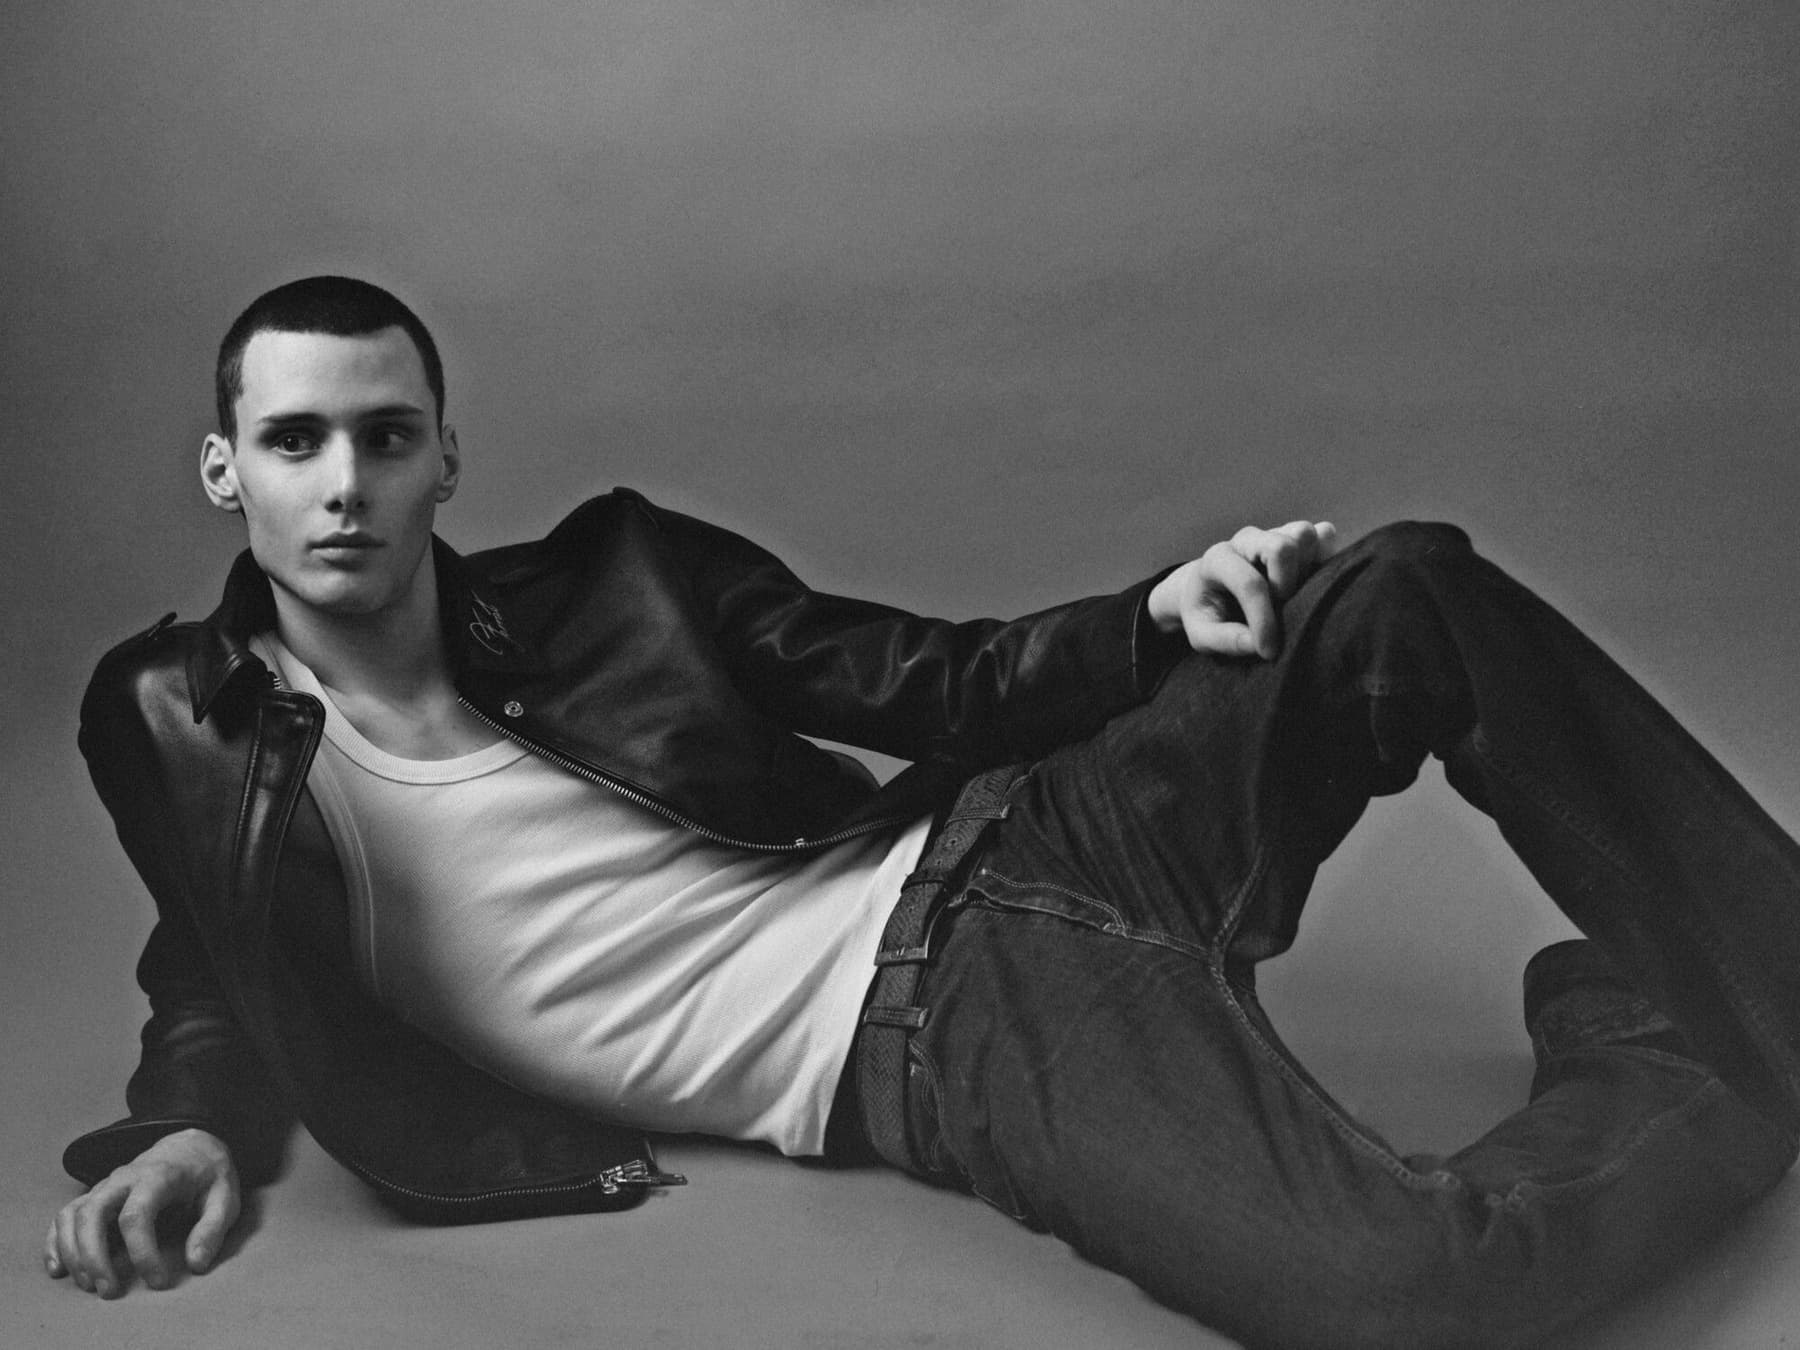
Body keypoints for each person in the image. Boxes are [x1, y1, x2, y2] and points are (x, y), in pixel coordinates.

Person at [43, 275, 1800, 1349]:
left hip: (1016, 840)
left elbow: (925, 680)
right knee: (1405, 1293)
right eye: (294, 441)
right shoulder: (173, 718)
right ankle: (1645, 1031)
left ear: (447, 458)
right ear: (226, 466)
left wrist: (1148, 618)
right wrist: (184, 1125)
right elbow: (215, 925)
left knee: (1400, 590)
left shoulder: (622, 572)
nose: (343, 484)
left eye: (385, 436)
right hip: (943, 1034)